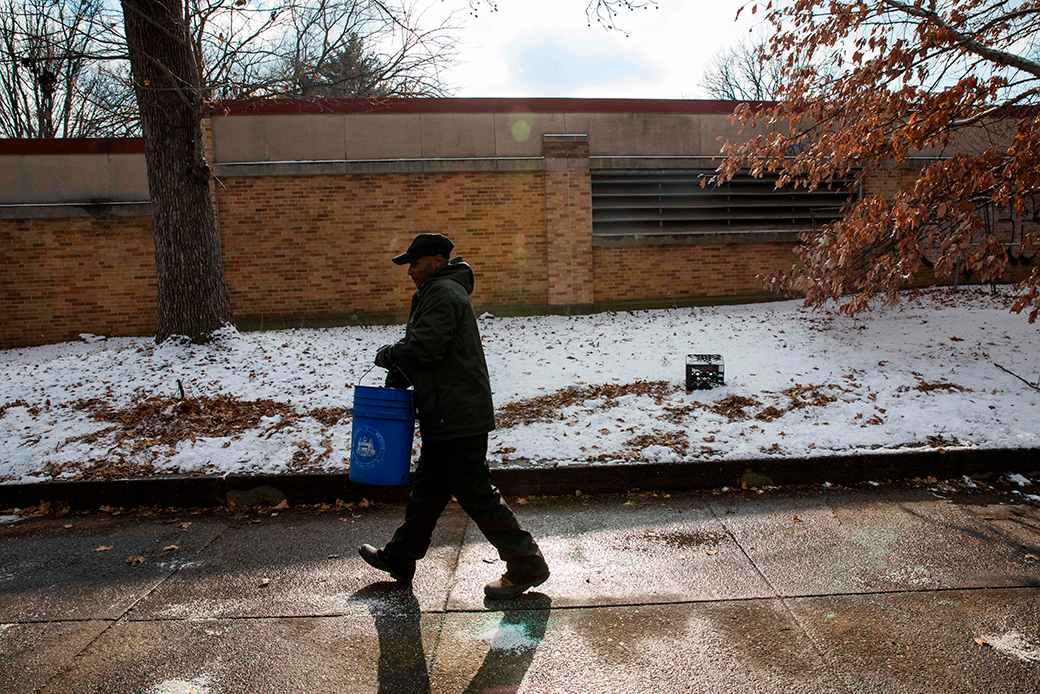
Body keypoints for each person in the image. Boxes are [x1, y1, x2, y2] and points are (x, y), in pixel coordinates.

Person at [358, 233, 550, 599]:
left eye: (415, 263)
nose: (410, 271)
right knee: (428, 492)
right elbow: (433, 350)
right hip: (446, 411)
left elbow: (425, 347)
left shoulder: (443, 293)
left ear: (436, 259)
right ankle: (400, 558)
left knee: (476, 494)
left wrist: (391, 355)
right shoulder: (439, 291)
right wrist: (402, 368)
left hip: (456, 414)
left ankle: (527, 564)